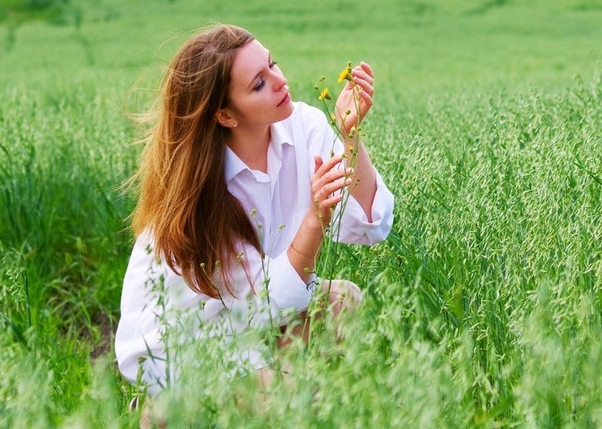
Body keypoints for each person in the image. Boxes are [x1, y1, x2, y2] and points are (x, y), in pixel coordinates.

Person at [114, 24, 395, 399]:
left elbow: (372, 226)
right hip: (190, 339)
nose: (280, 81)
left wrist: (350, 136)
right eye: (259, 84)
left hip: (255, 314)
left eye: (272, 64)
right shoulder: (203, 193)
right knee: (278, 400)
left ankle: (287, 396)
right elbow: (260, 303)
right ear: (226, 116)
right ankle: (164, 410)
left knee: (342, 301)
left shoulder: (303, 127)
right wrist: (314, 220)